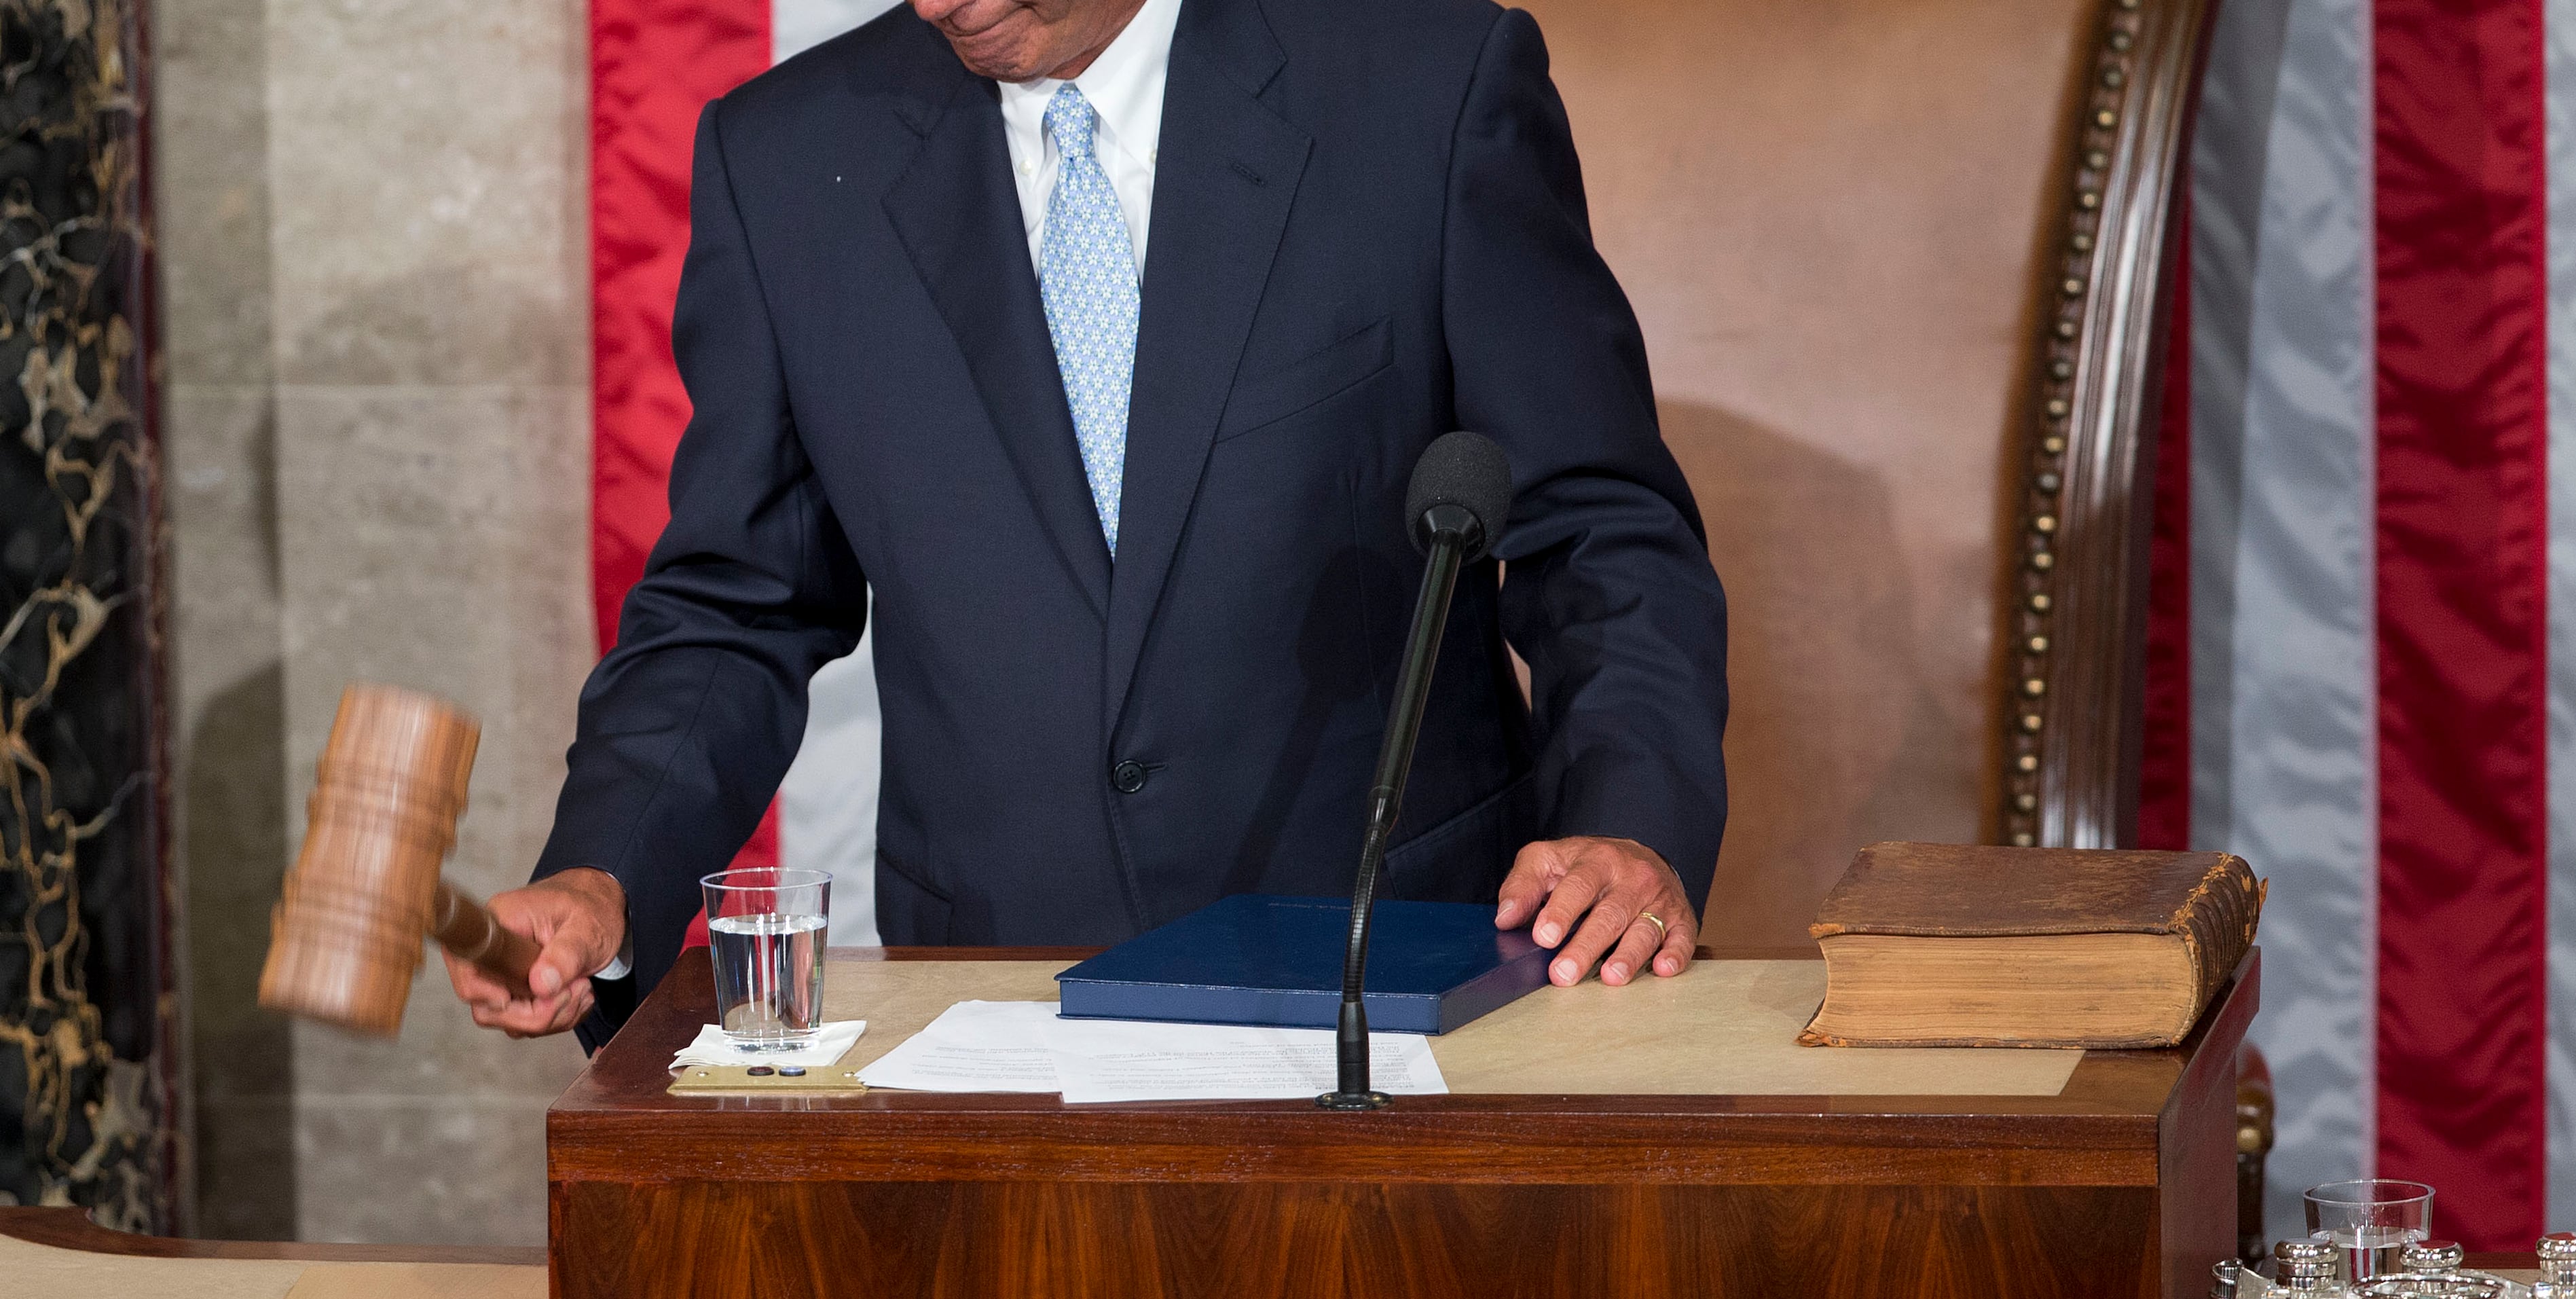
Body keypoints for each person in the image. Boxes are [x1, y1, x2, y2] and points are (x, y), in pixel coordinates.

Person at [449, 0, 1729, 1044]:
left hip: (1397, 977)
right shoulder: (785, 158)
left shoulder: (1422, 85)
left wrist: (1630, 823)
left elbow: (1599, 530)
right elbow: (739, 605)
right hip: (999, 1007)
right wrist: (604, 871)